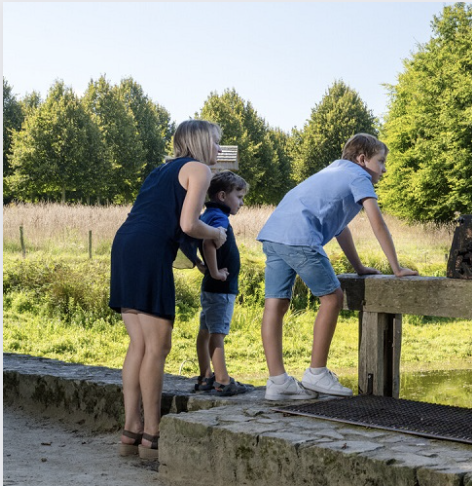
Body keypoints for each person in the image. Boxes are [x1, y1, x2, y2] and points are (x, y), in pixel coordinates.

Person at [257, 133, 418, 401]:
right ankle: (317, 373)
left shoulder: (333, 172)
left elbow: (340, 229)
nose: (384, 168)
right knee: (332, 298)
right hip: (300, 237)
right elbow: (377, 223)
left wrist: (359, 266)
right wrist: (397, 268)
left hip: (274, 234)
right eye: (381, 161)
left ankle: (277, 381)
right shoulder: (358, 176)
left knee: (276, 305)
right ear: (362, 159)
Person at [110, 120, 228, 460]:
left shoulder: (162, 170)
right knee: (158, 345)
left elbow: (161, 217)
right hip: (148, 250)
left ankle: (130, 432)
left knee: (139, 345)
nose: (220, 150)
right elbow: (188, 224)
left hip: (125, 245)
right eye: (217, 143)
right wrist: (215, 236)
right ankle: (153, 434)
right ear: (202, 142)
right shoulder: (199, 170)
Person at [192, 171, 252, 397]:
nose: (241, 202)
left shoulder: (207, 215)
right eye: (238, 196)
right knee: (217, 333)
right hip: (221, 288)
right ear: (222, 196)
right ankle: (223, 380)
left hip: (211, 287)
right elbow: (209, 242)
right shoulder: (219, 218)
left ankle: (206, 375)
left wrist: (200, 264)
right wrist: (216, 272)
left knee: (205, 331)